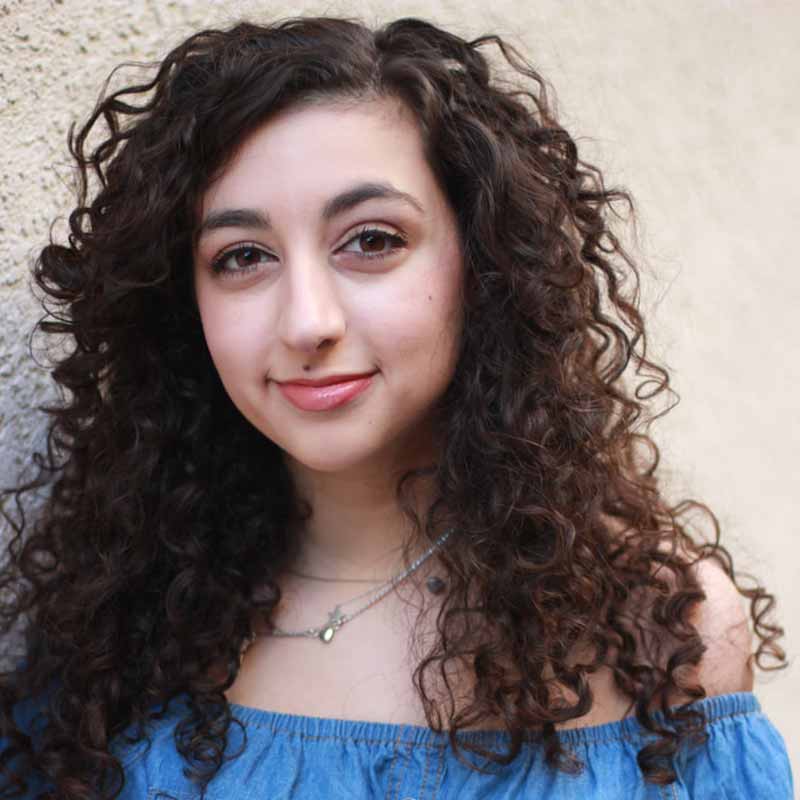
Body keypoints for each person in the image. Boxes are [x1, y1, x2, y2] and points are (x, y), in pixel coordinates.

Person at [0, 14, 793, 800]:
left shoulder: (667, 634)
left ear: (482, 263)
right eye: (243, 257)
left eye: (371, 240)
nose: (308, 320)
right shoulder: (120, 631)